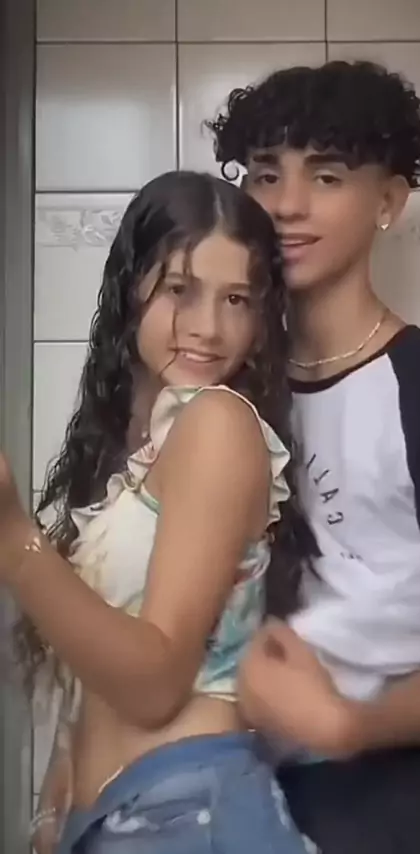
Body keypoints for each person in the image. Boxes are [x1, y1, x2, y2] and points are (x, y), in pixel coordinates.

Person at [0, 171, 319, 854]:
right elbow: (104, 663)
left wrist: (14, 542)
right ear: (132, 289)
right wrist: (56, 805)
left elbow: (155, 685)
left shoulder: (218, 424)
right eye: (180, 289)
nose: (209, 328)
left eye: (236, 299)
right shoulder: (143, 448)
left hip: (191, 812)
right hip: (133, 815)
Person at [208, 60, 420, 853]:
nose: (287, 204)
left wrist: (349, 726)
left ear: (388, 202)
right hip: (234, 768)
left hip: (396, 775)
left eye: (326, 177)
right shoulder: (227, 392)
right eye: (266, 175)